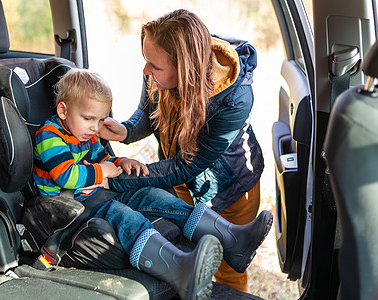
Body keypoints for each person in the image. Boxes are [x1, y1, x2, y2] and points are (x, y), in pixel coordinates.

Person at [32, 68, 270, 300]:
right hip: (70, 205)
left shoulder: (84, 134)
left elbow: (100, 158)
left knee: (154, 195)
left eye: (101, 120)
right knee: (125, 216)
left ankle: (233, 240)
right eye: (88, 119)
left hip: (97, 193)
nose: (96, 128)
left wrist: (120, 161)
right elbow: (65, 176)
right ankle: (180, 271)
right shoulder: (49, 136)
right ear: (63, 110)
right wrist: (103, 170)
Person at [99, 9, 268, 292]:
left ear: (185, 68)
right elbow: (147, 113)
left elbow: (187, 164)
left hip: (232, 188)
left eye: (154, 66)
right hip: (181, 180)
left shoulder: (236, 97)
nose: (145, 71)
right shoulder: (158, 70)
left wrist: (112, 177)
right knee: (193, 256)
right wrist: (126, 131)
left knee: (229, 271)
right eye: (145, 61)